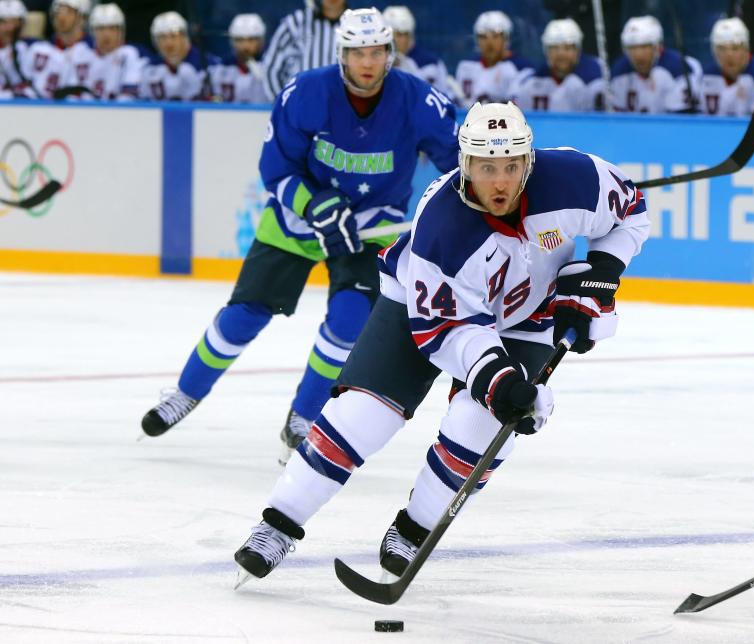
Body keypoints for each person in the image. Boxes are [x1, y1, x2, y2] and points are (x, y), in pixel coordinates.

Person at [231, 101, 650, 585]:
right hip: (425, 307)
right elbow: (448, 333)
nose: (500, 181)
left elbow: (632, 212)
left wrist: (603, 270)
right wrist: (497, 378)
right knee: (364, 415)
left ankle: (413, 530)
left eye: (511, 166)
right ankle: (278, 524)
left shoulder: (575, 179)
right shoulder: (444, 226)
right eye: (486, 168)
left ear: (528, 162)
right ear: (465, 165)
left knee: (480, 428)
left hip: (526, 313)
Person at [140, 8, 459, 466]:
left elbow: (456, 164)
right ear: (341, 55)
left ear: (391, 54)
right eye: (356, 52)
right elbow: (275, 167)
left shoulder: (418, 100)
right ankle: (186, 392)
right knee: (244, 315)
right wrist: (315, 205)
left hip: (370, 226)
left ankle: (304, 417)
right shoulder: (307, 91)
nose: (367, 62)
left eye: (376, 51)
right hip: (298, 218)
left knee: (350, 320)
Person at [610, 15, 702, 114]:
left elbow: (682, 121)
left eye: (644, 47)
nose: (638, 55)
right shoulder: (619, 70)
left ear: (658, 47)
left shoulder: (677, 69)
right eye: (632, 48)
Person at [510, 18, 606, 112]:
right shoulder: (530, 83)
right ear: (546, 51)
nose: (561, 54)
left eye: (567, 48)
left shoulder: (593, 82)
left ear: (578, 51)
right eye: (555, 48)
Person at [261, 0, 346, 101]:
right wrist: (285, 105)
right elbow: (271, 69)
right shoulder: (296, 23)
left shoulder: (357, 26)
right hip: (300, 108)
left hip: (345, 110)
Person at [455, 10, 533, 105]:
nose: (489, 43)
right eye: (483, 37)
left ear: (506, 38)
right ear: (476, 39)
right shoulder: (466, 66)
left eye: (495, 36)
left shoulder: (521, 69)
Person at [140, 11, 218, 101]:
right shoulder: (149, 69)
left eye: (174, 36)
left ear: (185, 37)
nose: (169, 44)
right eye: (162, 38)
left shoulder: (210, 66)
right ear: (155, 42)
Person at [382, 5, 453, 99]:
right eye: (398, 34)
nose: (403, 40)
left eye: (406, 34)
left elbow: (443, 99)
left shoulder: (431, 63)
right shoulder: (375, 61)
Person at [0, 0, 66, 99]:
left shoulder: (39, 49)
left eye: (14, 21)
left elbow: (42, 93)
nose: (9, 28)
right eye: (3, 22)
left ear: (22, 23)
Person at [85, 3, 144, 101]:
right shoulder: (83, 55)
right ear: (92, 31)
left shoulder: (129, 54)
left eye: (112, 28)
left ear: (121, 31)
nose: (106, 34)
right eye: (101, 28)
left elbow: (128, 97)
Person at [211, 13, 267, 104]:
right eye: (240, 40)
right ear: (232, 42)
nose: (245, 46)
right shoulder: (220, 69)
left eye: (251, 40)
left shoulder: (271, 69)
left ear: (261, 41)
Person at [50, 0, 97, 92]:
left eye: (69, 11)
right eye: (58, 11)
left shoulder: (94, 49)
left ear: (82, 18)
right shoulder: (46, 48)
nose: (61, 17)